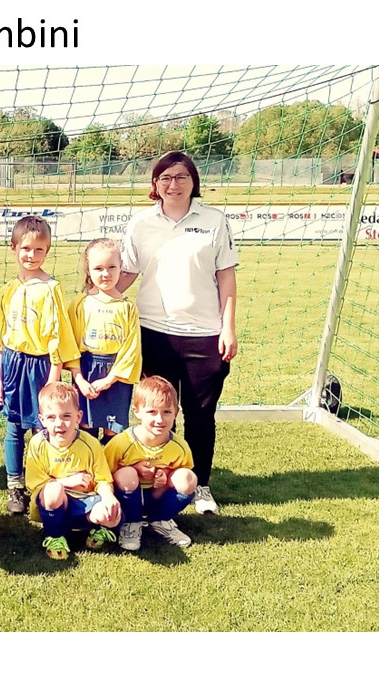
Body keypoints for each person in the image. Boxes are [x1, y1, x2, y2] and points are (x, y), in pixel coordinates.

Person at [119, 150, 238, 514]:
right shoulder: (141, 223)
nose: (174, 184)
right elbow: (127, 273)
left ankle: (200, 485)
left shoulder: (214, 220)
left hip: (204, 335)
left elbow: (226, 276)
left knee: (199, 416)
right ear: (155, 184)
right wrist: (94, 300)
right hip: (153, 333)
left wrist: (228, 328)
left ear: (193, 181)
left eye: (181, 177)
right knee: (158, 414)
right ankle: (160, 483)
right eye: (166, 178)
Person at [0, 215, 79, 515]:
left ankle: (44, 483)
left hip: (41, 365)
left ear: (47, 250)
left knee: (44, 428)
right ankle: (15, 486)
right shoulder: (7, 289)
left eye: (39, 249)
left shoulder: (52, 288)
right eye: (26, 248)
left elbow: (58, 335)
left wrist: (53, 380)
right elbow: (0, 340)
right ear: (14, 247)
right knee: (14, 427)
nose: (31, 255)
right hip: (13, 364)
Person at [25, 383, 121, 560]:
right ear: (42, 419)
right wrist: (67, 482)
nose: (59, 424)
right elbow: (35, 484)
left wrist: (108, 497)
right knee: (53, 490)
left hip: (84, 502)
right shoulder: (37, 444)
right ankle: (55, 537)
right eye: (51, 417)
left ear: (78, 417)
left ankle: (96, 529)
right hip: (53, 503)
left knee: (112, 515)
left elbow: (103, 479)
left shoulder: (90, 444)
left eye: (66, 416)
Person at [105, 375, 198, 551]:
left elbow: (181, 476)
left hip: (156, 496)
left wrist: (165, 475)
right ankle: (131, 523)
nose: (160, 420)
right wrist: (134, 469)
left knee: (188, 478)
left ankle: (161, 519)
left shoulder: (179, 446)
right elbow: (103, 475)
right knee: (126, 474)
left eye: (167, 412)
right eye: (152, 412)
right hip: (127, 497)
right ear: (137, 411)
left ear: (176, 413)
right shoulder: (121, 442)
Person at [67, 237, 141, 444]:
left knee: (113, 430)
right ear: (88, 269)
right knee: (86, 426)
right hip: (87, 371)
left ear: (121, 267)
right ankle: (89, 461)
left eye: (111, 267)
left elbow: (131, 350)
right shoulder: (79, 304)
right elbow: (70, 346)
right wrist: (79, 379)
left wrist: (110, 380)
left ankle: (109, 462)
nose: (106, 273)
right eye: (98, 268)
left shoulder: (127, 308)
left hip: (116, 376)